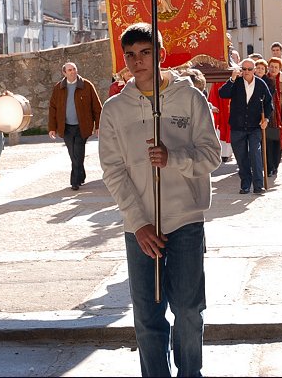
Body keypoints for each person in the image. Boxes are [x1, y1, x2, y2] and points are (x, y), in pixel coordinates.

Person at [99, 22, 220, 378]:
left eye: (146, 53)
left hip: (184, 218)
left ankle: (190, 373)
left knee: (188, 308)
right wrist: (138, 223)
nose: (138, 62)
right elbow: (113, 169)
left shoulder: (190, 98)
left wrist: (175, 158)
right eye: (131, 55)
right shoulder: (115, 109)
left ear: (161, 55)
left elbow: (211, 155)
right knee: (147, 315)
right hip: (140, 227)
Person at [219, 57, 272, 194]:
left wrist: (266, 118)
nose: (246, 71)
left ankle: (258, 185)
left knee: (255, 154)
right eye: (244, 69)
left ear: (254, 70)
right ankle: (245, 184)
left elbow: (268, 103)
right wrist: (231, 79)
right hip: (237, 126)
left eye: (249, 69)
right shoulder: (235, 83)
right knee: (241, 158)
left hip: (255, 126)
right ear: (240, 70)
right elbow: (222, 94)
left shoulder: (260, 84)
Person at [49, 62, 102, 191]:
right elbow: (53, 108)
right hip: (66, 127)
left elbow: (97, 107)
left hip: (82, 126)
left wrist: (98, 125)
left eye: (74, 69)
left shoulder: (87, 85)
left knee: (78, 151)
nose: (72, 72)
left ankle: (75, 181)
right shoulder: (59, 88)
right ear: (64, 73)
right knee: (73, 154)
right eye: (69, 70)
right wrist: (52, 127)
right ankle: (81, 175)